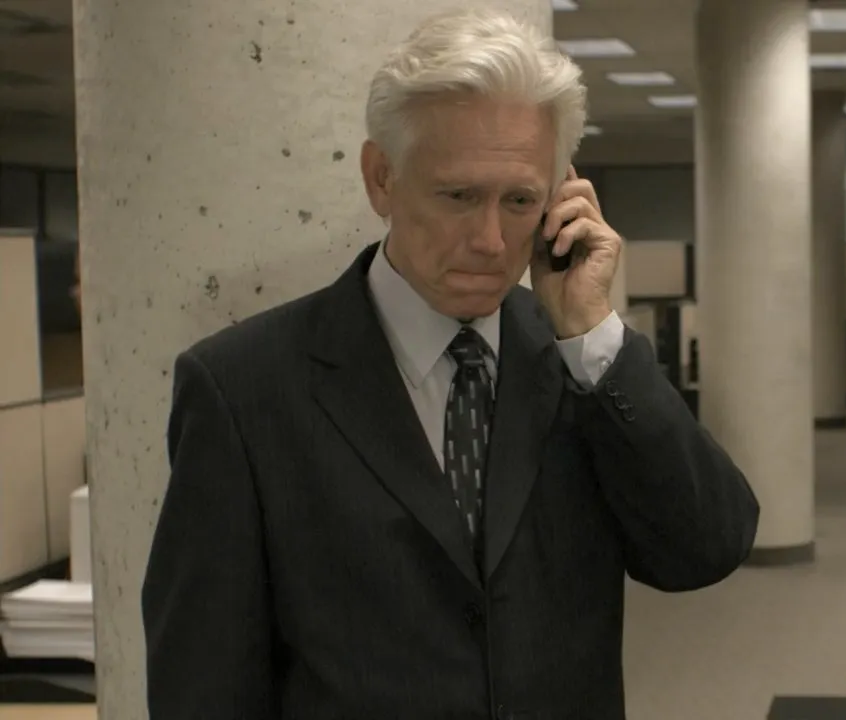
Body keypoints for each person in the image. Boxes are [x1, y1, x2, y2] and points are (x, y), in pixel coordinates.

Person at [140, 8, 760, 720]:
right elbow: (203, 684)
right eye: (459, 196)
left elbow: (706, 547)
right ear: (381, 178)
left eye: (520, 200)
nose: (491, 240)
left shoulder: (580, 363)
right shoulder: (243, 389)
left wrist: (593, 334)